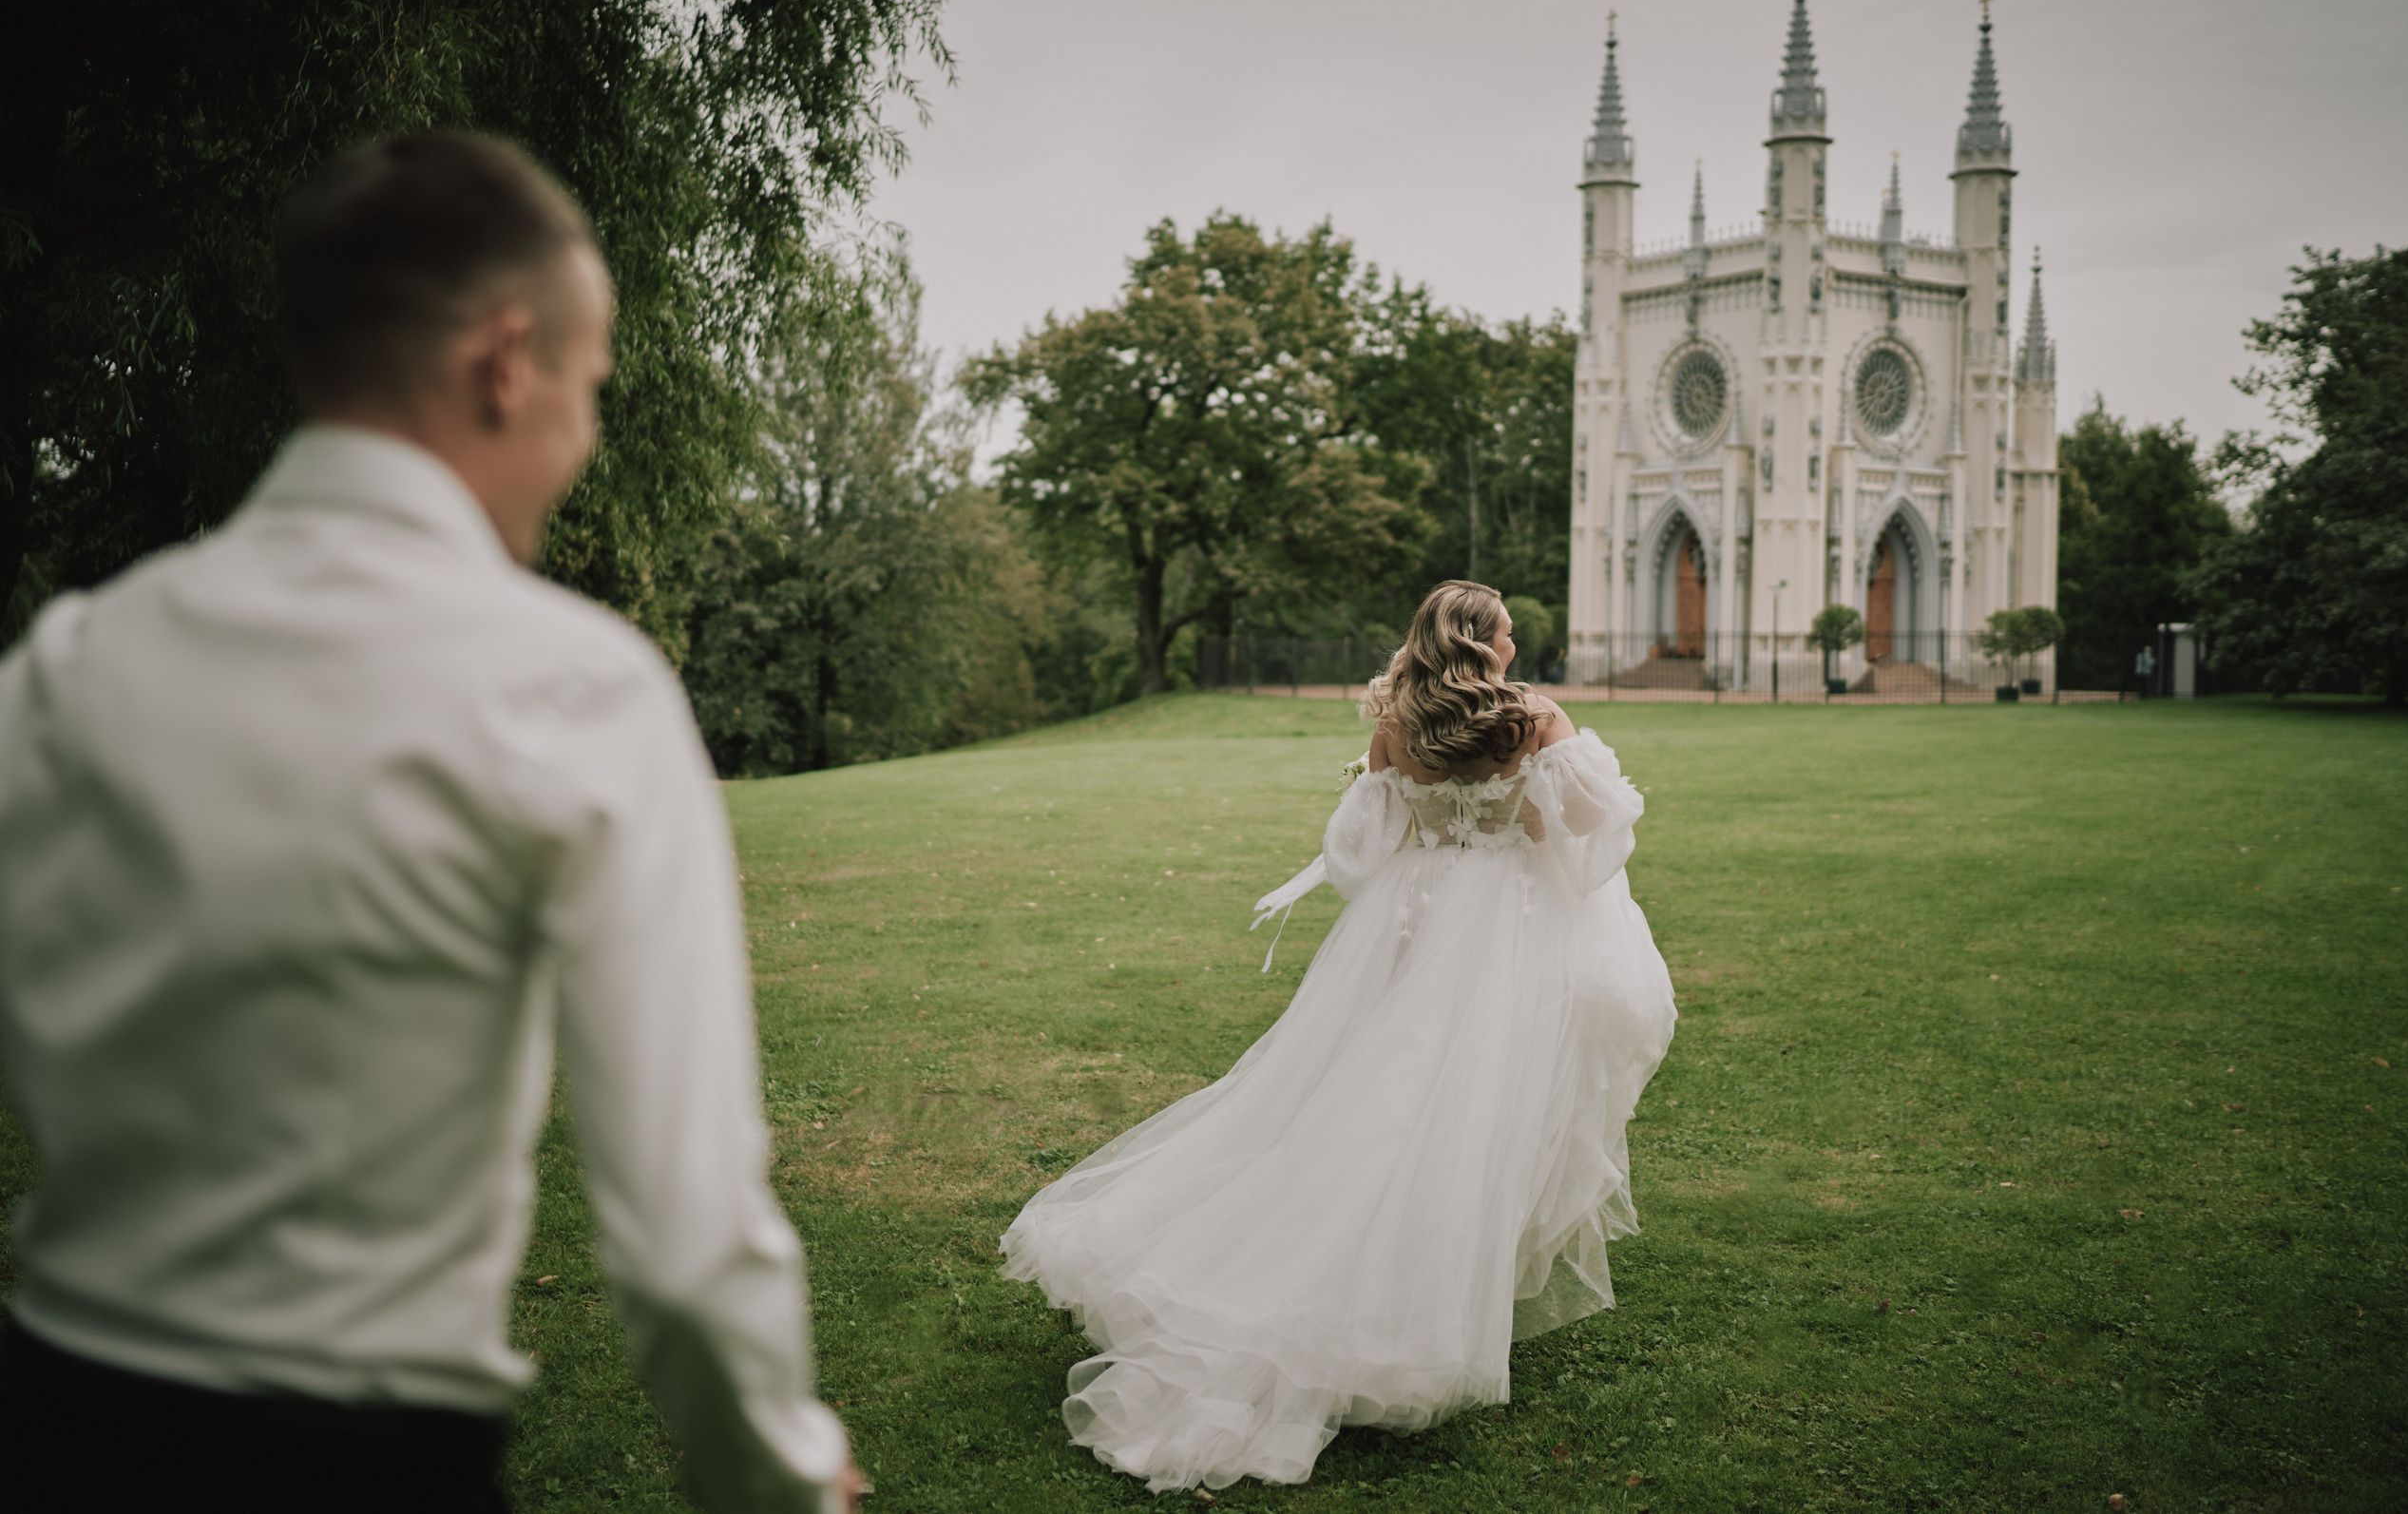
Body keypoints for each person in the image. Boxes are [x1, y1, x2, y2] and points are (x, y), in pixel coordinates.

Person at [0, 133, 859, 1513]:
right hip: (356, 1460)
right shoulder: (575, 690)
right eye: (592, 383)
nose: (586, 430)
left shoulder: (67, 663)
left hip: (46, 1425)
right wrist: (783, 1473)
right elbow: (688, 1241)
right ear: (505, 362)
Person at [1001, 580, 1677, 1491]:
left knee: (1375, 1093)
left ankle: (1349, 1263)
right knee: (1471, 1107)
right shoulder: (1535, 719)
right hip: (1507, 932)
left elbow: (1361, 854)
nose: (1516, 645)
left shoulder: (1397, 723)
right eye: (1507, 633)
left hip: (1420, 924)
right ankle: (1399, 1296)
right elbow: (1591, 839)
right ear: (1479, 642)